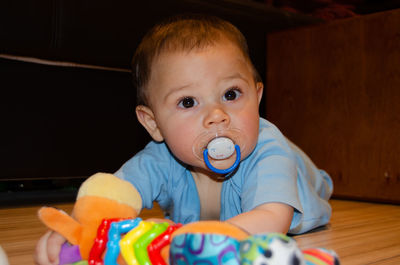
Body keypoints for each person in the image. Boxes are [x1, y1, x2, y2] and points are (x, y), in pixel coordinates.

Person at [35, 14, 333, 265]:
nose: (217, 115)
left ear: (257, 98)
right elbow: (115, 194)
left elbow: (272, 219)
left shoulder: (267, 151)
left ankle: (318, 180)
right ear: (154, 124)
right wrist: (79, 229)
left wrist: (186, 241)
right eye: (188, 102)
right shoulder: (160, 157)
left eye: (231, 94)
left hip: (296, 172)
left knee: (300, 170)